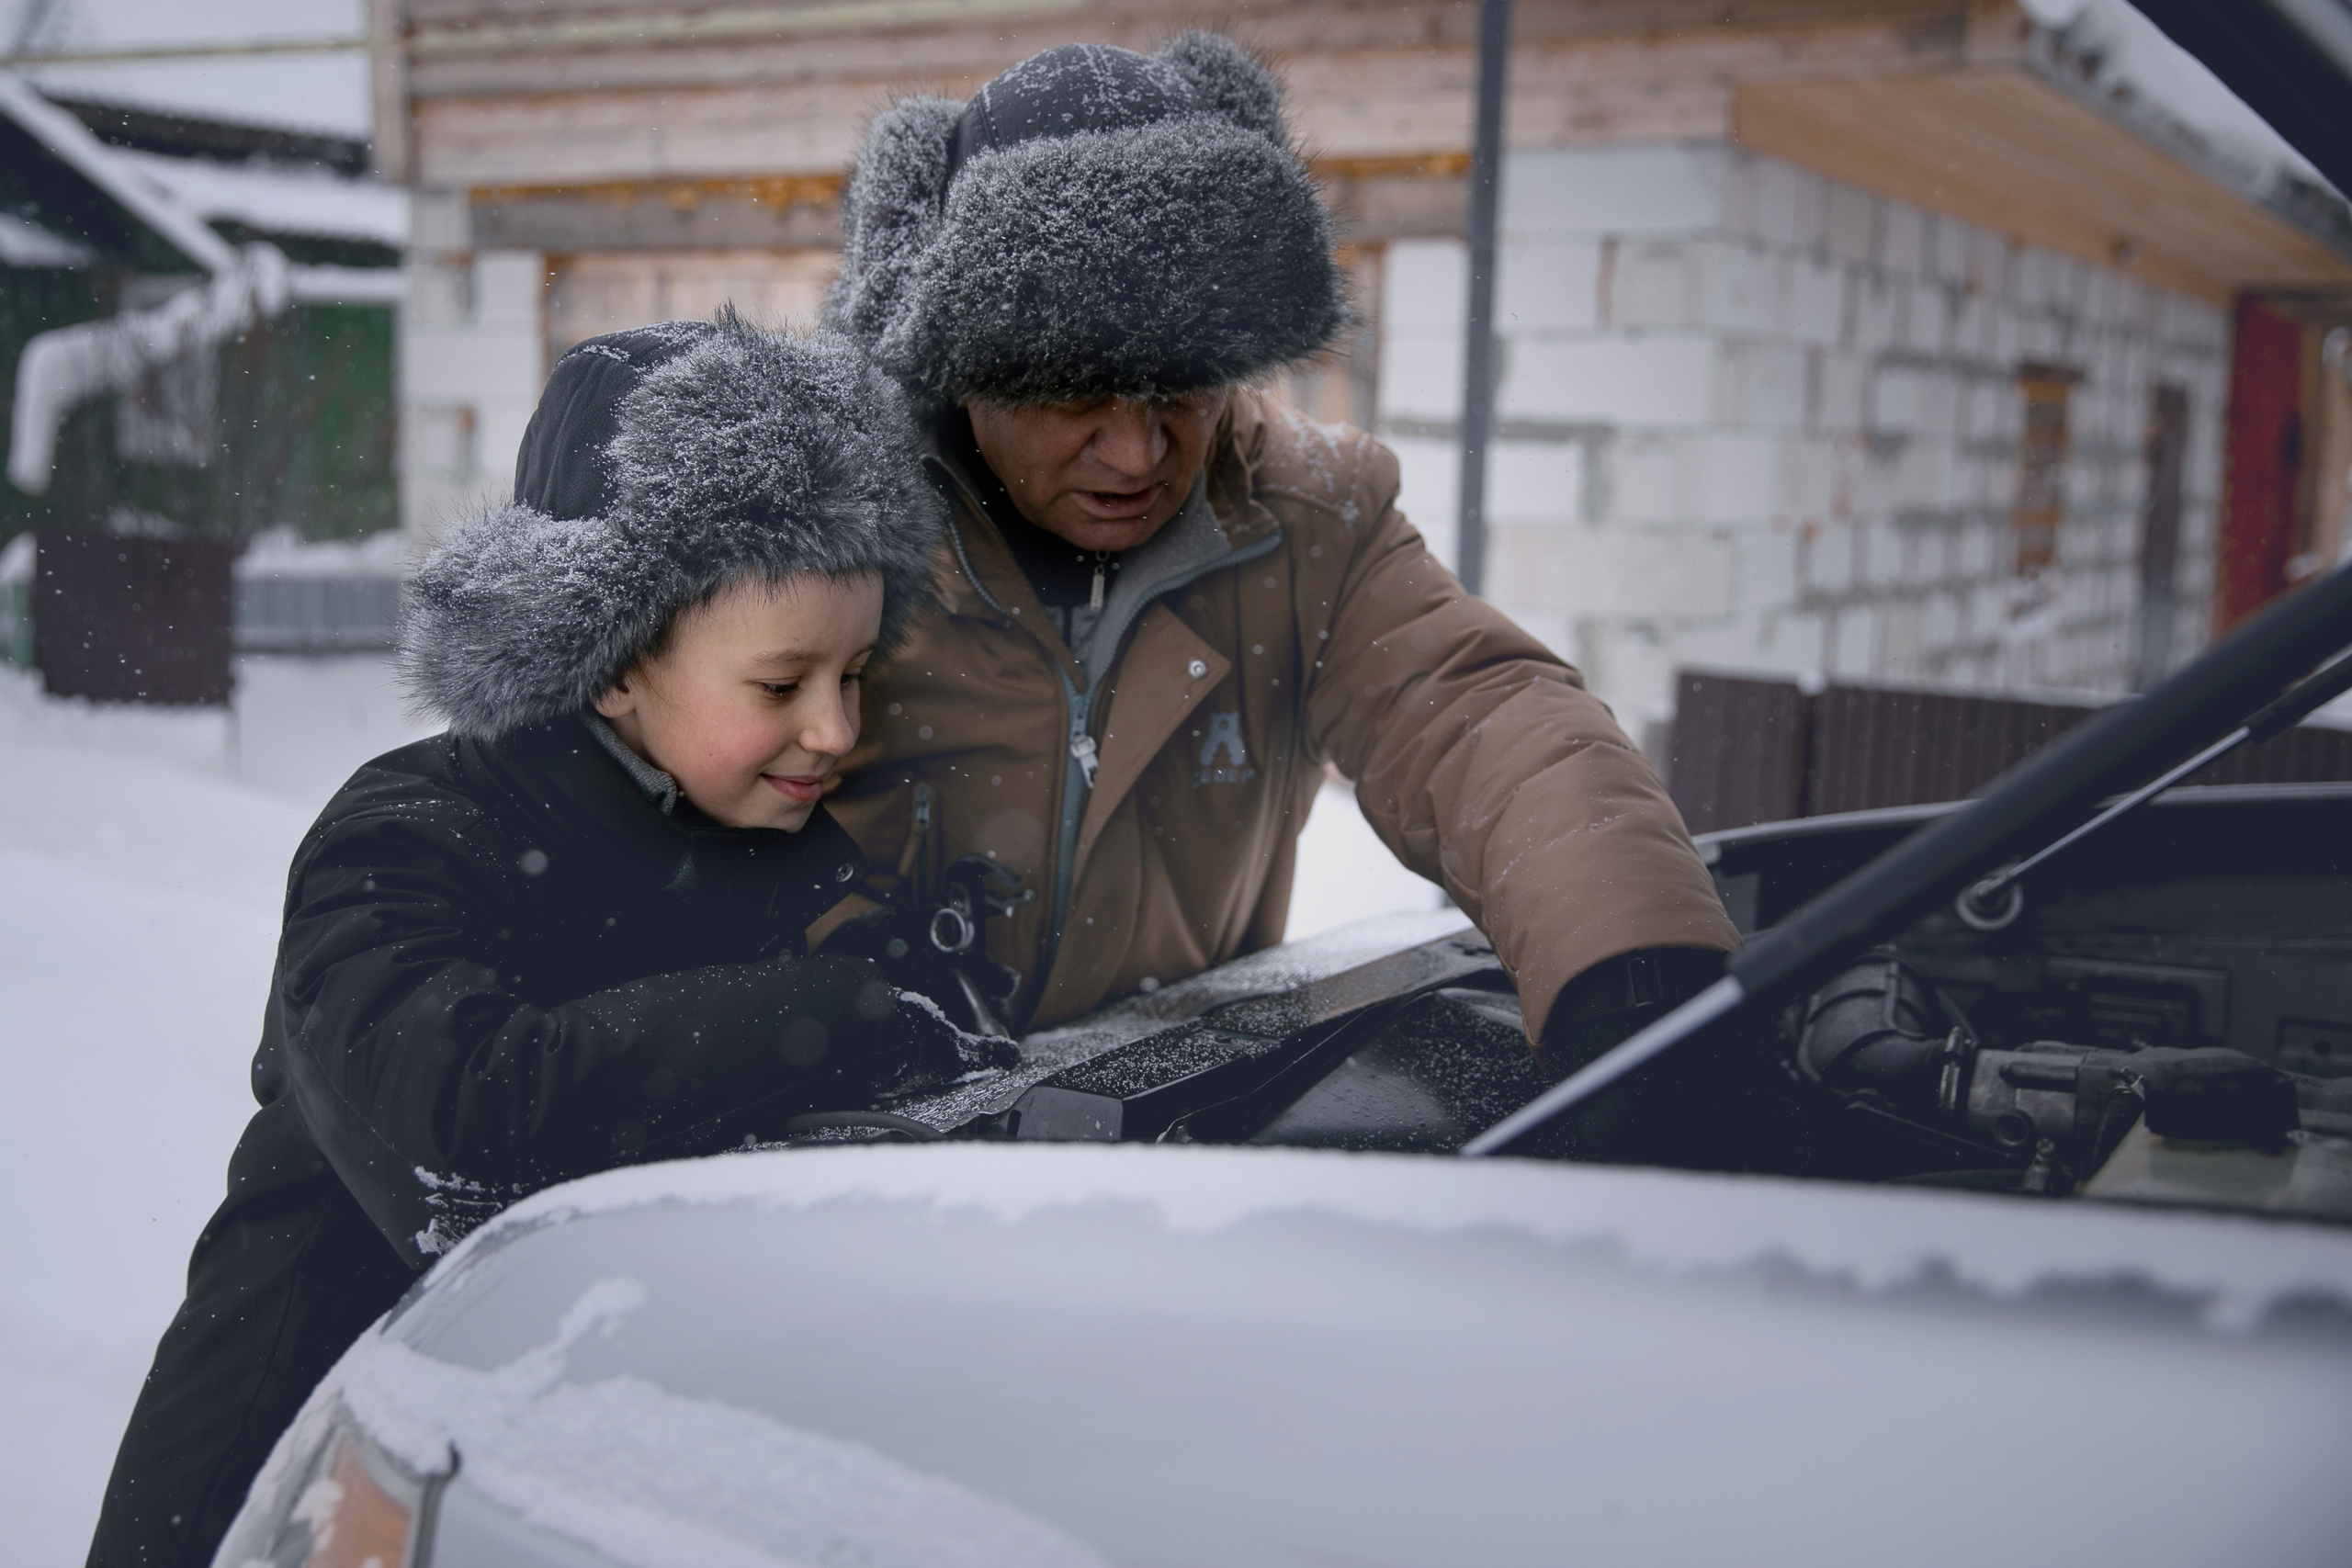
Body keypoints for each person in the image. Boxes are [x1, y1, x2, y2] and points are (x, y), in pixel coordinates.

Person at [86, 316, 992, 1568]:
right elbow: (466, 1121)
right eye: (783, 685)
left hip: (556, 1479)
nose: (837, 728)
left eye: (855, 673)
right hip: (292, 1472)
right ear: (614, 661)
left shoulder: (784, 843)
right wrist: (832, 1017)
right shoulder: (407, 835)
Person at [820, 33, 1741, 1064]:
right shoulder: (825, 527)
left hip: (1164, 1131)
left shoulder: (1309, 518)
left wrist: (1630, 968)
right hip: (853, 1138)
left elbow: (1480, 719)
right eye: (1070, 392)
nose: (1135, 452)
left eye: (1182, 386)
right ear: (961, 374)